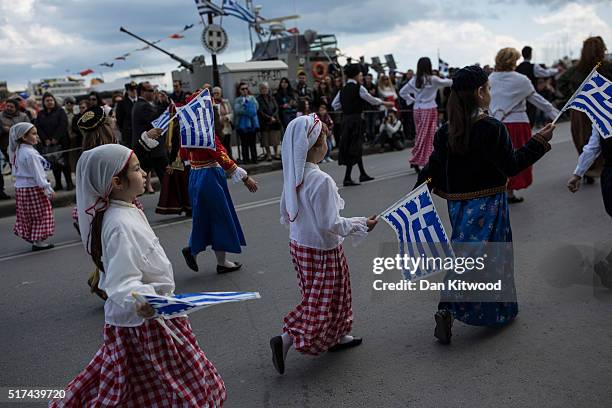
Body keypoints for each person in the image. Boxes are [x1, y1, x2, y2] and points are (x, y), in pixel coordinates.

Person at [50, 144, 226, 407]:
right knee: (181, 387)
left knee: (141, 386)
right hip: (147, 323)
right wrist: (142, 300)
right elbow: (122, 280)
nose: (144, 173)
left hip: (149, 317)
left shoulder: (124, 209)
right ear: (116, 182)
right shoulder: (120, 224)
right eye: (136, 169)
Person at [416, 66, 555, 343]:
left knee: (465, 255)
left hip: (458, 207)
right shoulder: (492, 128)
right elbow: (512, 165)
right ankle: (492, 312)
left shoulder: (446, 131)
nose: (490, 92)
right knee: (490, 259)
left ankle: (448, 308)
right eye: (489, 88)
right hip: (490, 205)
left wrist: (416, 191)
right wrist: (538, 142)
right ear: (480, 93)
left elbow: (433, 167)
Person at [270, 114, 378, 374]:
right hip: (323, 250)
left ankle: (339, 335)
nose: (328, 143)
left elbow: (287, 213)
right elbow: (333, 224)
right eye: (325, 139)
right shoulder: (321, 180)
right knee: (322, 301)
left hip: (300, 246)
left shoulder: (294, 175)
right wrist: (362, 223)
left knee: (328, 295)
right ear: (316, 146)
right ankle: (287, 338)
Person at [182, 91, 259, 274]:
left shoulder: (188, 128)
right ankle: (216, 259)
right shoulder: (204, 131)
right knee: (220, 217)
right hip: (209, 176)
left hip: (195, 175)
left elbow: (184, 154)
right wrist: (245, 177)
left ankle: (196, 250)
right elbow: (221, 155)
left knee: (205, 217)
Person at [488, 48, 559, 203]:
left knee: (497, 159)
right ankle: (510, 193)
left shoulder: (490, 79)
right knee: (518, 158)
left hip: (495, 124)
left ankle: (501, 190)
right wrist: (555, 115)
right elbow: (538, 100)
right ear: (514, 61)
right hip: (518, 123)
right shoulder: (521, 80)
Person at [558, 36, 612, 184]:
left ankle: (586, 169)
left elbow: (561, 83)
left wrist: (572, 95)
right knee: (602, 138)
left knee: (584, 140)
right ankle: (595, 168)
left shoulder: (576, 69)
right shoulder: (606, 66)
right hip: (603, 108)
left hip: (582, 110)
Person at [332, 64, 392, 186]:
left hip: (346, 120)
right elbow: (371, 99)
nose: (361, 76)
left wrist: (346, 106)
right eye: (360, 74)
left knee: (355, 147)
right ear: (355, 75)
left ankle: (362, 174)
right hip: (355, 120)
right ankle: (347, 178)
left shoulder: (343, 89)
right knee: (354, 147)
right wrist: (385, 103)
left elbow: (334, 104)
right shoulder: (359, 88)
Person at [399, 57, 452, 173]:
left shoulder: (414, 80)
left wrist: (412, 100)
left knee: (420, 135)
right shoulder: (432, 79)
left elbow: (402, 92)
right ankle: (420, 159)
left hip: (417, 109)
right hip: (429, 108)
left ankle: (418, 159)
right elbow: (448, 82)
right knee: (428, 135)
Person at [8, 123, 55, 251]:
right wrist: (47, 188)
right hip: (33, 187)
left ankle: (36, 239)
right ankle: (38, 241)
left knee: (30, 215)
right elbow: (38, 173)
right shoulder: (30, 153)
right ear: (24, 137)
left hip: (22, 188)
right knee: (41, 214)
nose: (37, 136)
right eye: (33, 134)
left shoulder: (18, 151)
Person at [155, 103, 191, 216]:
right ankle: (188, 206)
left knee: (180, 184)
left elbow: (175, 148)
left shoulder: (175, 127)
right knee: (183, 184)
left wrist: (170, 164)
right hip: (186, 159)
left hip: (179, 160)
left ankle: (185, 206)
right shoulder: (184, 124)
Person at [568, 126, 612, 217]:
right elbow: (592, 148)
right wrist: (578, 173)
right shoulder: (600, 118)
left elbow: (592, 148)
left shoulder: (600, 116)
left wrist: (578, 174)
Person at [36, 92, 74, 191]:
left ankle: (69, 182)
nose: (50, 102)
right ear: (43, 102)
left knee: (64, 163)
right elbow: (38, 128)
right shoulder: (40, 114)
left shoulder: (60, 111)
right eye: (47, 101)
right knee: (54, 164)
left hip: (61, 142)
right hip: (48, 144)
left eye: (51, 100)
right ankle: (58, 183)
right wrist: (45, 139)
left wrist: (56, 138)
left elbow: (63, 125)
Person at [131, 81, 166, 187]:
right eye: (150, 90)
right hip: (152, 150)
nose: (153, 93)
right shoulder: (143, 106)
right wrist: (163, 103)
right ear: (142, 92)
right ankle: (170, 201)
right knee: (166, 177)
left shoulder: (140, 104)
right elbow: (156, 120)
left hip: (148, 149)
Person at [515, 46, 559, 127]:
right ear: (530, 55)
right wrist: (557, 70)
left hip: (519, 96)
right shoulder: (533, 67)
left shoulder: (517, 68)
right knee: (532, 115)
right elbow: (546, 73)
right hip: (531, 94)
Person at [0, 99, 30, 199]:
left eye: (11, 106)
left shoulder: (23, 116)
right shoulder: (0, 116)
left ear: (16, 107)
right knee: (13, 170)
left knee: (25, 168)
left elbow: (29, 129)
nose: (8, 108)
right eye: (7, 106)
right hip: (6, 146)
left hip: (22, 147)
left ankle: (28, 188)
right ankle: (18, 189)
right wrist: (3, 129)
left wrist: (12, 130)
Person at [233, 82, 260, 164]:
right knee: (244, 143)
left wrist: (247, 107)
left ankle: (254, 158)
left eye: (246, 88)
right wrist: (247, 109)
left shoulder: (252, 98)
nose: (245, 90)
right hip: (242, 124)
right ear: (239, 90)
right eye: (242, 89)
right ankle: (246, 159)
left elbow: (256, 108)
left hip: (252, 124)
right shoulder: (237, 100)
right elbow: (237, 110)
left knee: (252, 143)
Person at [256, 82, 282, 161]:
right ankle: (268, 154)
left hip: (274, 120)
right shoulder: (258, 99)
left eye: (266, 88)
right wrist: (269, 118)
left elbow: (276, 108)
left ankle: (276, 153)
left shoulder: (272, 97)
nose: (264, 90)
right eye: (262, 88)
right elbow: (260, 110)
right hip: (264, 121)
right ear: (260, 90)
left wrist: (273, 116)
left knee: (275, 137)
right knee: (266, 139)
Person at [213, 86, 235, 160]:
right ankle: (223, 161)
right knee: (221, 147)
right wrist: (219, 119)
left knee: (228, 144)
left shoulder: (225, 102)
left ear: (221, 93)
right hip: (218, 129)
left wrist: (227, 117)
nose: (216, 94)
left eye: (217, 93)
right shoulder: (211, 104)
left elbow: (231, 112)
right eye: (214, 93)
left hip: (226, 126)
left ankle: (230, 159)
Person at [115, 81, 138, 148]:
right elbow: (119, 120)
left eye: (135, 89)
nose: (134, 91)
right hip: (129, 135)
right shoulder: (122, 103)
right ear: (127, 91)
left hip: (140, 134)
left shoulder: (140, 101)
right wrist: (125, 130)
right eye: (132, 90)